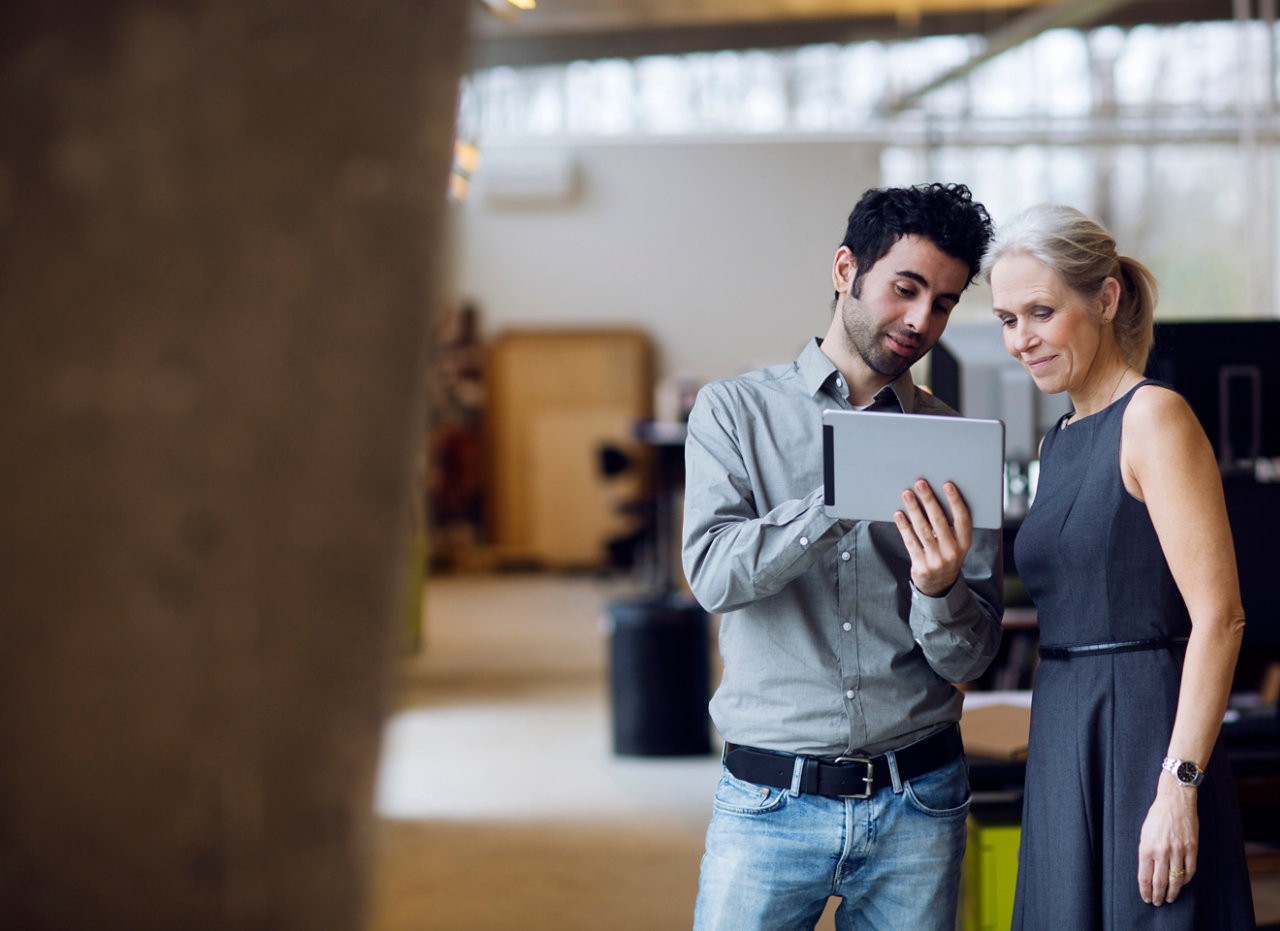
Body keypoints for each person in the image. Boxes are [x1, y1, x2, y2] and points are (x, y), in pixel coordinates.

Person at [681, 182, 1004, 931]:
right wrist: (833, 500)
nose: (923, 320)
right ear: (844, 270)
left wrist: (939, 586)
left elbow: (971, 655)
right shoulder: (735, 412)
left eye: (946, 302)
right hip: (768, 801)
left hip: (917, 800)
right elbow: (713, 575)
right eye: (906, 288)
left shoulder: (956, 441)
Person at [983, 204, 1255, 929]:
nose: (1022, 339)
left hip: (1145, 729)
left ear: (1104, 299)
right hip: (1063, 720)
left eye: (1041, 311)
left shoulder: (1153, 417)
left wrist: (1178, 784)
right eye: (1007, 319)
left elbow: (1220, 617)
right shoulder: (1059, 441)